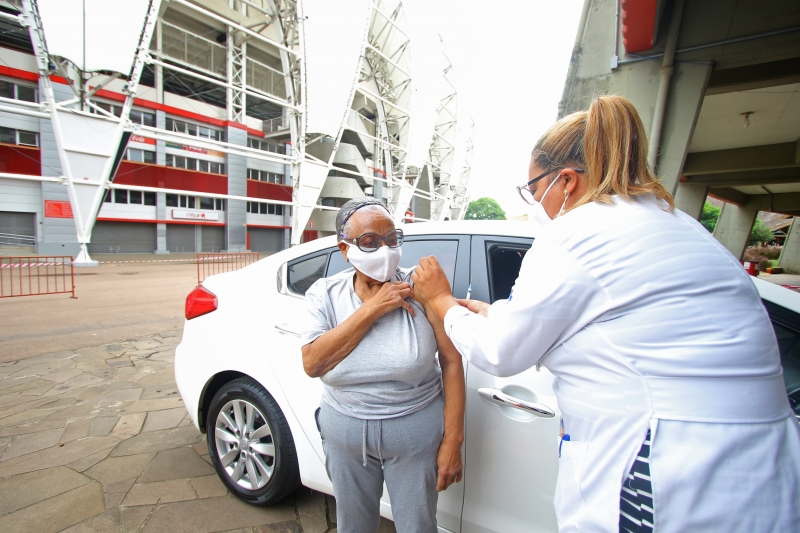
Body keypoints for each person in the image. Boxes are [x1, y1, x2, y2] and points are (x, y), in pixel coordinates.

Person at [412, 95, 800, 532]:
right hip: (763, 462)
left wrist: (440, 300)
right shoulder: (678, 224)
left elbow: (501, 353)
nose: (535, 202)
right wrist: (495, 312)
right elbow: (610, 316)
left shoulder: (576, 233)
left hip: (672, 466)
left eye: (534, 190)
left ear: (566, 180)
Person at [300, 198, 465, 533]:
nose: (385, 250)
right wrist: (374, 307)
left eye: (392, 239)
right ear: (345, 250)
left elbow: (451, 360)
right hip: (344, 432)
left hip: (413, 433)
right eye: (370, 242)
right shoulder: (326, 294)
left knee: (417, 525)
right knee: (353, 524)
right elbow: (313, 363)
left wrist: (453, 441)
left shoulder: (421, 291)